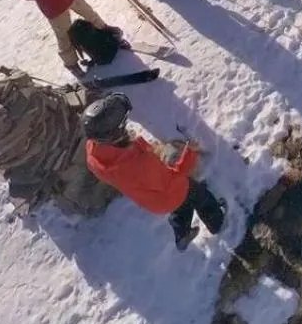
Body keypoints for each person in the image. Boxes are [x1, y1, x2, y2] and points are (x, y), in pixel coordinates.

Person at [81, 94, 225, 250]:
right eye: (123, 123)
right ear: (115, 134)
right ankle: (217, 222)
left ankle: (182, 234)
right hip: (168, 192)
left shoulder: (93, 152)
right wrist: (190, 152)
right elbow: (173, 177)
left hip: (150, 198)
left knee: (181, 205)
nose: (126, 124)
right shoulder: (138, 164)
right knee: (199, 195)